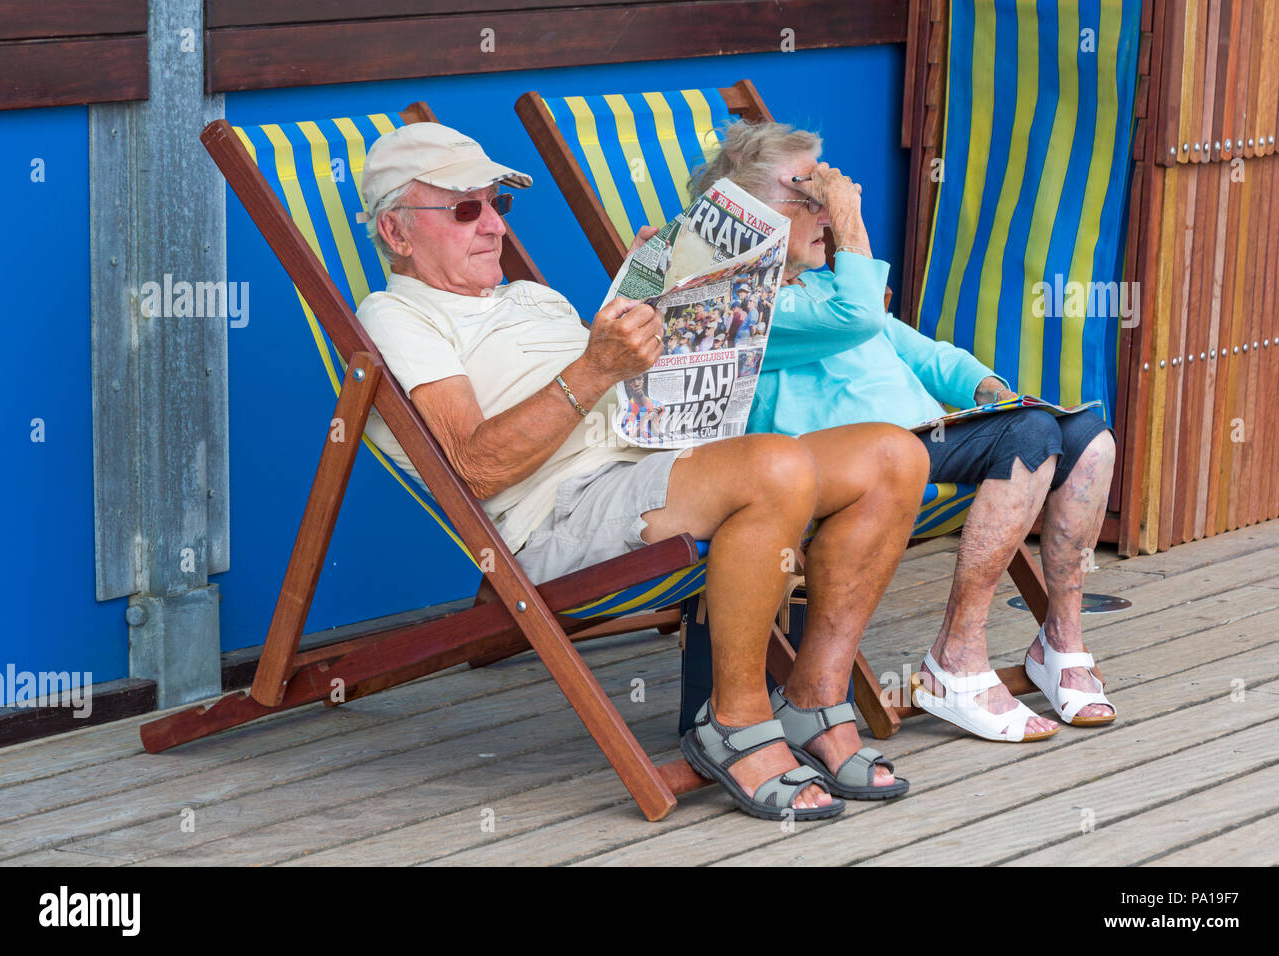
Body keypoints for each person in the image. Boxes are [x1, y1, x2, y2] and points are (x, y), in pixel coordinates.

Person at [353, 122, 930, 818]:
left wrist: (676, 297)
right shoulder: (395, 316)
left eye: (496, 206)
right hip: (560, 516)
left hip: (652, 461)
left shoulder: (533, 298)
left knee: (895, 455)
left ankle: (813, 696)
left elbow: (630, 392)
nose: (492, 228)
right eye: (465, 209)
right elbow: (474, 467)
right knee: (773, 466)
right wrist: (596, 366)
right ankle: (737, 722)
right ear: (396, 231)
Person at [690, 120, 1117, 742]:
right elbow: (858, 316)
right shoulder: (740, 305)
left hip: (928, 437)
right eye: (807, 200)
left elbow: (917, 349)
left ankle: (1060, 643)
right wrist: (850, 215)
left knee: (1087, 441)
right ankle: (958, 658)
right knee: (1028, 439)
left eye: (825, 199)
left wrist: (987, 390)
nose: (825, 216)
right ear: (751, 215)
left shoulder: (817, 283)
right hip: (862, 466)